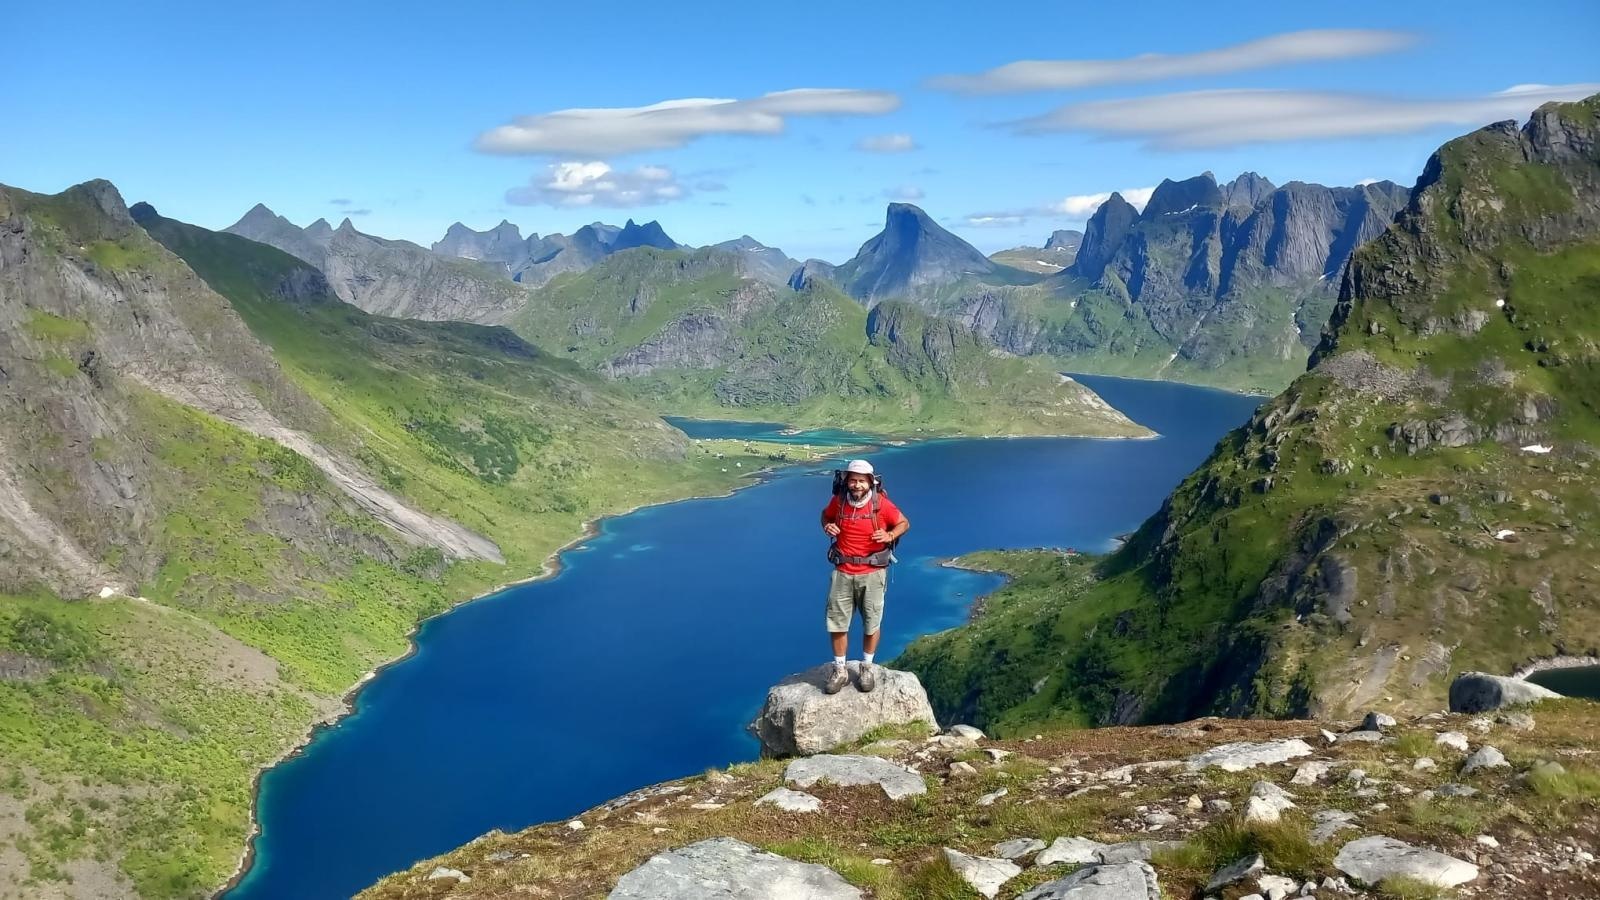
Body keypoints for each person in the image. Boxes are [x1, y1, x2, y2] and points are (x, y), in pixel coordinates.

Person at [819, 459, 909, 694]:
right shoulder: (838, 502)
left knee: (871, 624)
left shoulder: (881, 505)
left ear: (871, 482)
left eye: (861, 481)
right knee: (837, 624)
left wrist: (889, 535)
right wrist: (827, 526)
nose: (856, 485)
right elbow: (825, 516)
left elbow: (903, 523)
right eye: (853, 480)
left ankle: (866, 667)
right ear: (847, 481)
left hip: (872, 573)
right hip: (843, 571)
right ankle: (840, 670)